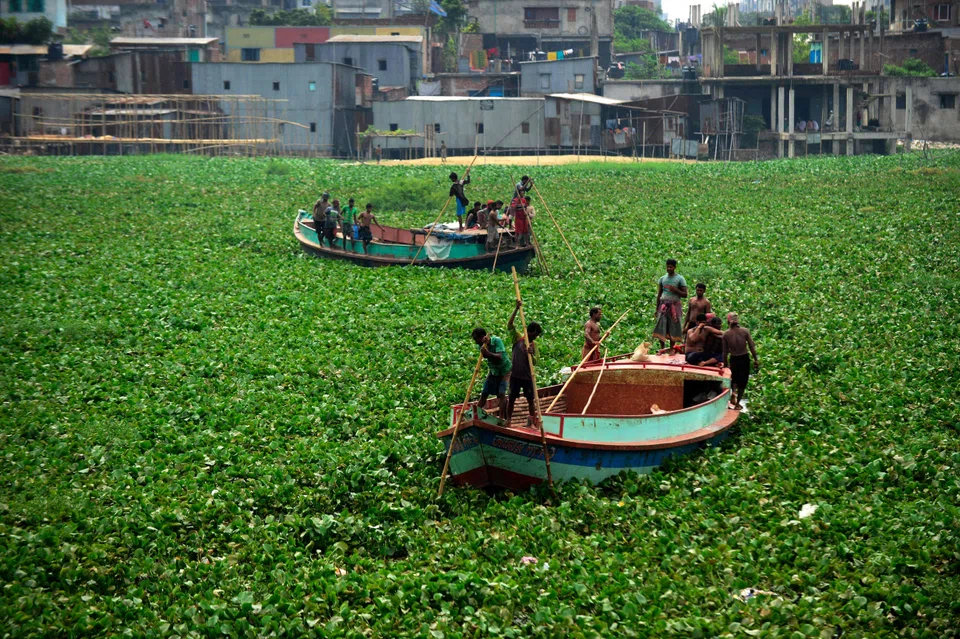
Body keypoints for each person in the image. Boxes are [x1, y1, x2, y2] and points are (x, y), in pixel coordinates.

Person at [504, 300, 543, 427]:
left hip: (527, 377)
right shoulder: (518, 338)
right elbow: (510, 325)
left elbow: (536, 362)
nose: (535, 337)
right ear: (530, 332)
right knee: (512, 399)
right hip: (515, 375)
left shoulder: (534, 345)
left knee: (530, 400)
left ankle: (531, 422)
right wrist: (516, 309)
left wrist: (531, 353)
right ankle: (508, 420)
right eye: (535, 335)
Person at [472, 327, 511, 422]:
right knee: (485, 392)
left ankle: (501, 418)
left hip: (505, 371)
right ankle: (475, 414)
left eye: (476, 339)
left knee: (501, 393)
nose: (476, 342)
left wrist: (487, 351)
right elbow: (485, 355)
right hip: (493, 371)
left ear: (482, 337)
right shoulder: (481, 345)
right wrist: (485, 349)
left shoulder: (497, 341)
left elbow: (499, 356)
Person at [722, 312, 759, 410]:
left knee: (734, 379)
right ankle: (737, 403)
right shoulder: (745, 331)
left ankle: (733, 392)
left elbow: (725, 352)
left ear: (728, 321)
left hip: (734, 358)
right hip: (744, 357)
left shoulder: (726, 334)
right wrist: (756, 359)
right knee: (743, 381)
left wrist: (725, 364)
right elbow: (751, 346)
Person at [653, 259, 688, 349]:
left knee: (674, 326)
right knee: (661, 326)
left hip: (674, 305)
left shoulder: (680, 279)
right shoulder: (662, 279)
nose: (669, 268)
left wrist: (675, 290)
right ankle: (662, 348)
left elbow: (685, 294)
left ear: (675, 267)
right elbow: (659, 294)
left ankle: (672, 348)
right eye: (667, 267)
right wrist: (657, 309)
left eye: (671, 267)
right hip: (663, 305)